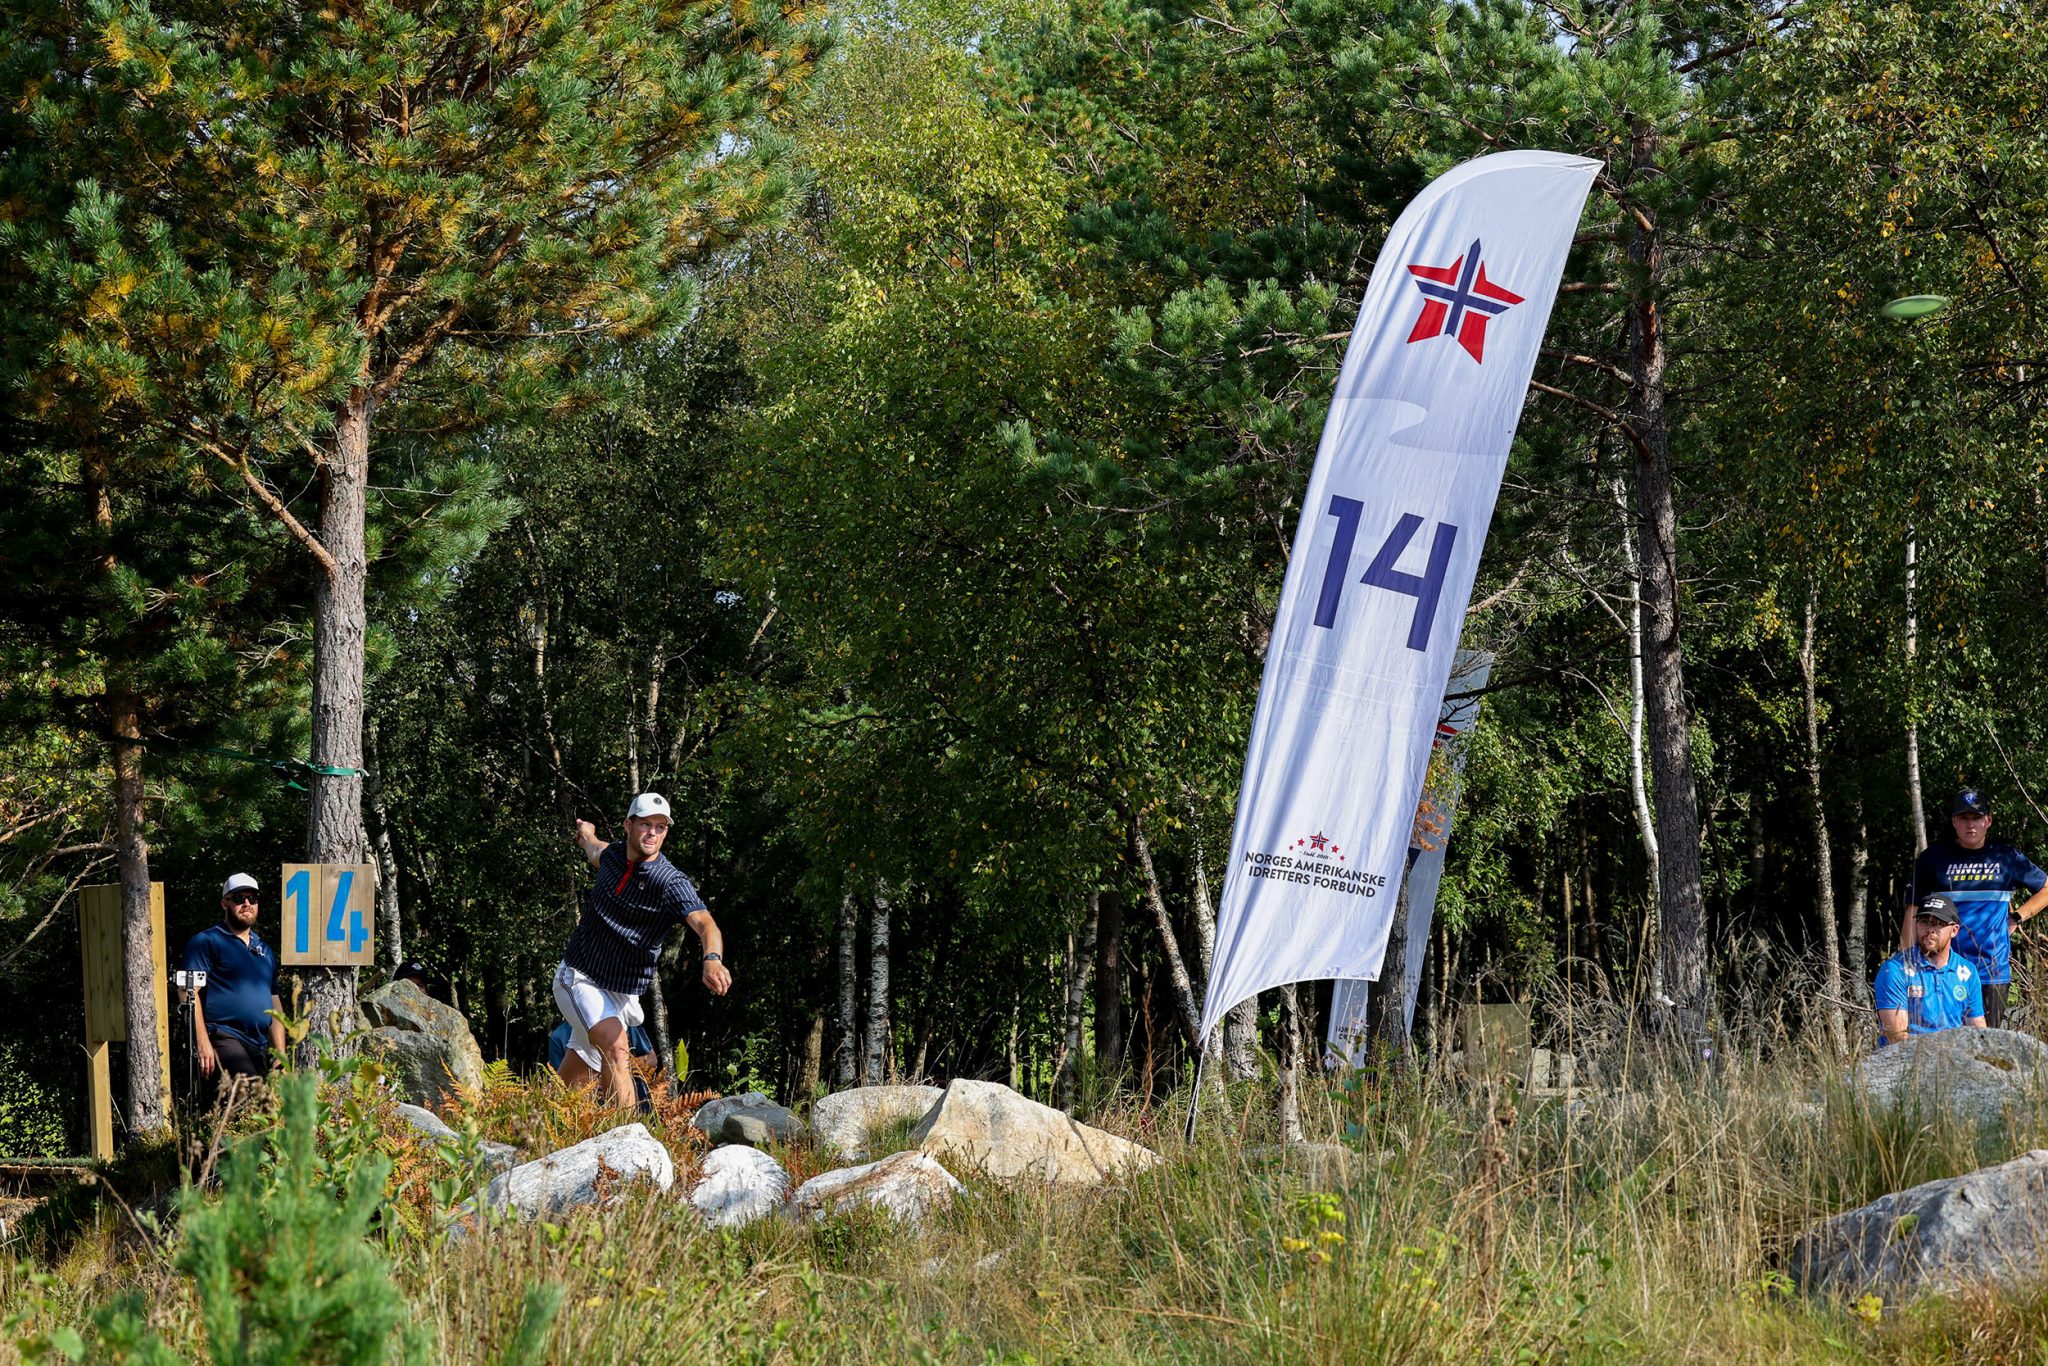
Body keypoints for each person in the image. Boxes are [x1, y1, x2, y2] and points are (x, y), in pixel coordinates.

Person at [554, 792, 730, 1107]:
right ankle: (630, 1135)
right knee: (616, 1046)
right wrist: (587, 833)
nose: (652, 833)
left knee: (572, 1083)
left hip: (622, 993)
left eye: (660, 827)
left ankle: (533, 1121)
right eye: (645, 824)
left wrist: (713, 959)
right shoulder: (613, 856)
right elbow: (594, 848)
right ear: (628, 825)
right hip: (578, 976)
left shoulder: (669, 882)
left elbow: (706, 924)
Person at [1908, 788, 2048, 1028]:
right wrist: (1908, 960)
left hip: (1991, 972)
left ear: (1988, 821)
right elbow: (1912, 909)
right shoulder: (1933, 859)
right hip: (1942, 970)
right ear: (1954, 821)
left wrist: (2016, 918)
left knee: (1987, 1042)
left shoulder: (2006, 857)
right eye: (1964, 818)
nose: (1970, 824)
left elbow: (2045, 888)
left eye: (1977, 818)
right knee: (1942, 1041)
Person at [180, 872, 286, 1109]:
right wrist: (202, 1043)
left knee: (265, 1108)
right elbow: (187, 992)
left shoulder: (265, 951)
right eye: (239, 898)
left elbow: (274, 1003)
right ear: (225, 903)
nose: (247, 903)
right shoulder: (206, 942)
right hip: (224, 1036)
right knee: (251, 1097)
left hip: (258, 1044)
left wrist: (281, 1054)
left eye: (252, 898)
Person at [1874, 894, 1987, 1045]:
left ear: (1954, 930)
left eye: (1938, 923)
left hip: (1953, 1055)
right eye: (1924, 922)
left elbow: (1977, 1028)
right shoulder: (1895, 969)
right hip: (1906, 1057)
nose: (1930, 930)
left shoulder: (1968, 971)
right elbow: (1897, 1037)